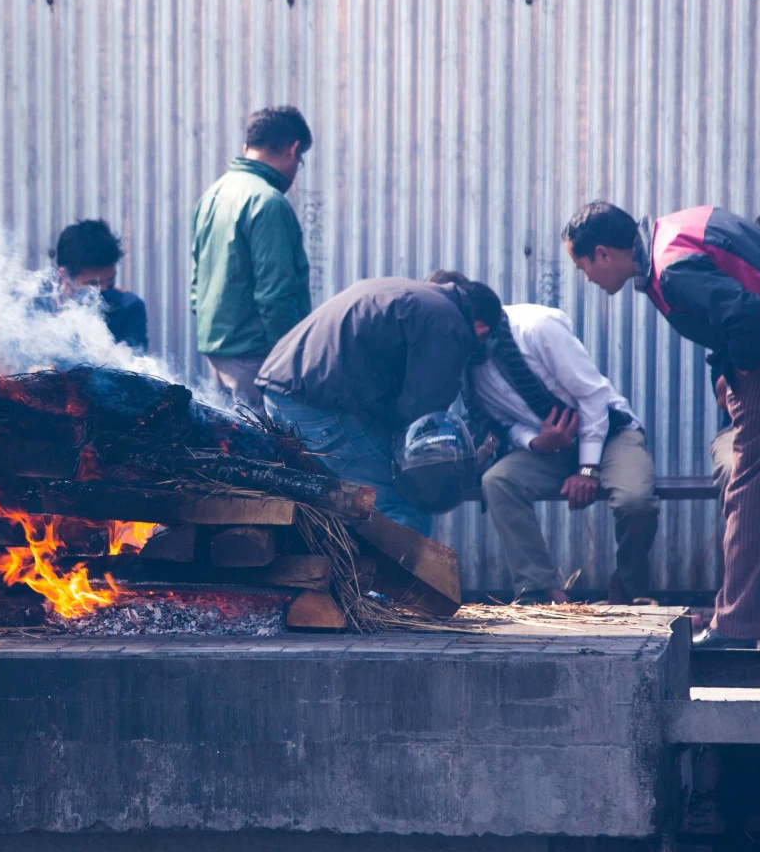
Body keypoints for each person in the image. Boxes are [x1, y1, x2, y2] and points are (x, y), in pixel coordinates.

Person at [563, 200, 760, 650]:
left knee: (750, 487)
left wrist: (739, 373)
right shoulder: (676, 230)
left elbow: (751, 317)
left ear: (604, 254)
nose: (586, 278)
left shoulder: (672, 268)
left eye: (583, 266)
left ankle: (735, 626)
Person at [431, 268, 659, 605]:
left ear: (480, 324)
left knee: (635, 502)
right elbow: (502, 423)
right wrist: (538, 442)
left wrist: (587, 469)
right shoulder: (466, 362)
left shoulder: (536, 327)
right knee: (498, 481)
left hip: (608, 432)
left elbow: (592, 396)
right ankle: (541, 590)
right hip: (550, 446)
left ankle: (629, 585)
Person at [257, 275, 503, 535]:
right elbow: (421, 414)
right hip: (313, 405)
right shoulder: (448, 323)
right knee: (406, 499)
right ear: (481, 330)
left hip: (283, 389)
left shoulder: (412, 294)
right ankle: (401, 576)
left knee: (346, 497)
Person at [189, 105, 313, 407]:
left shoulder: (213, 195)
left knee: (227, 446)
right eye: (300, 160)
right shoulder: (268, 202)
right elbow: (276, 295)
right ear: (293, 149)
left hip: (218, 355)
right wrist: (290, 361)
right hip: (257, 360)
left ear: (248, 146)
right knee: (266, 450)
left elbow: (196, 287)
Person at [704, 204, 760, 639]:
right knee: (742, 473)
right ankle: (757, 602)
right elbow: (725, 389)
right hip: (742, 430)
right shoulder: (741, 300)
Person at [43, 219, 148, 351]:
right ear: (63, 276)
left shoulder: (128, 307)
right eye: (93, 284)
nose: (103, 290)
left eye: (110, 281)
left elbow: (132, 363)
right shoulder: (33, 303)